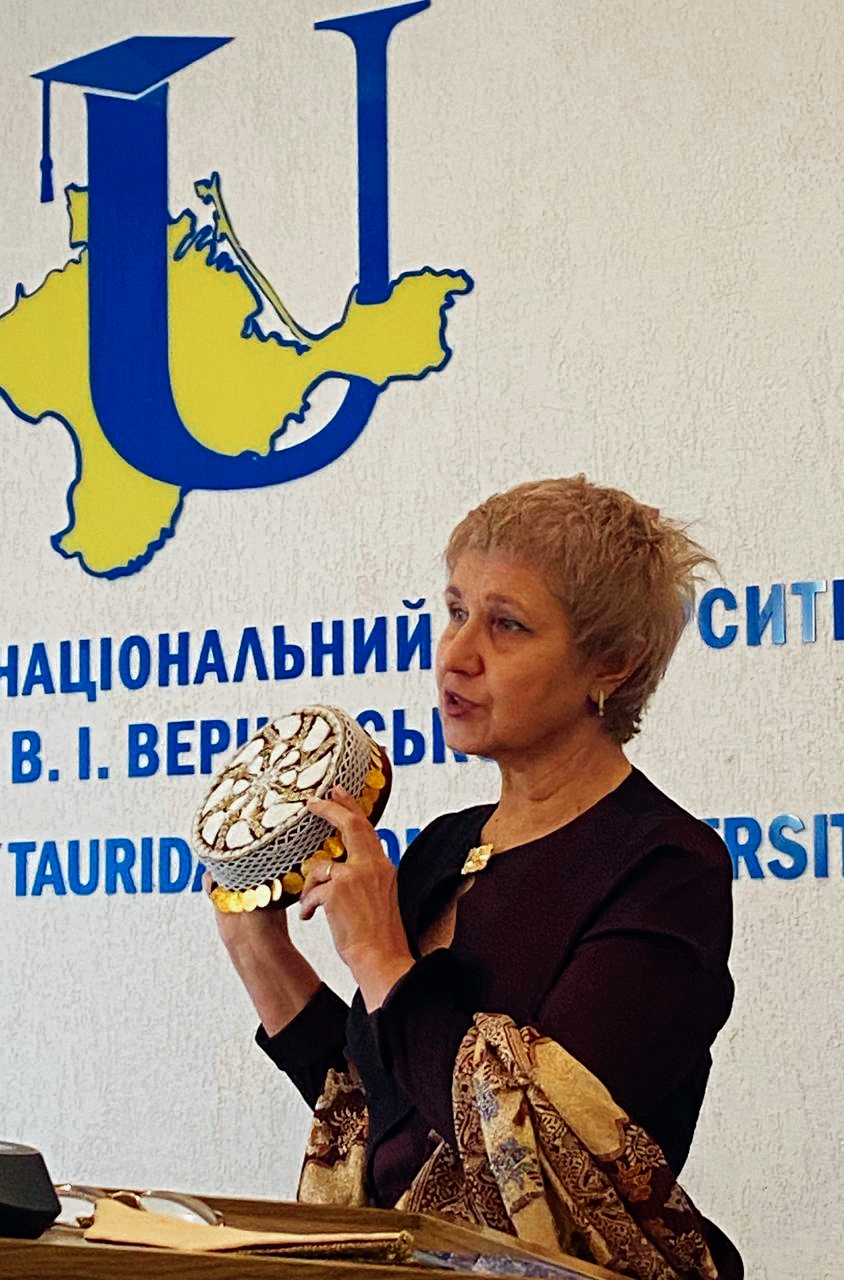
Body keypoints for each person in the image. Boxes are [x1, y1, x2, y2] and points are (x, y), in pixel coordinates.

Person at [210, 477, 742, 1279]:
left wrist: (381, 957)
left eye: (507, 625)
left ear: (612, 661)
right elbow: (379, 1121)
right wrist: (255, 940)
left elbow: (539, 1159)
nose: (456, 655)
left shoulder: (667, 869)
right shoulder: (445, 846)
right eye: (455, 611)